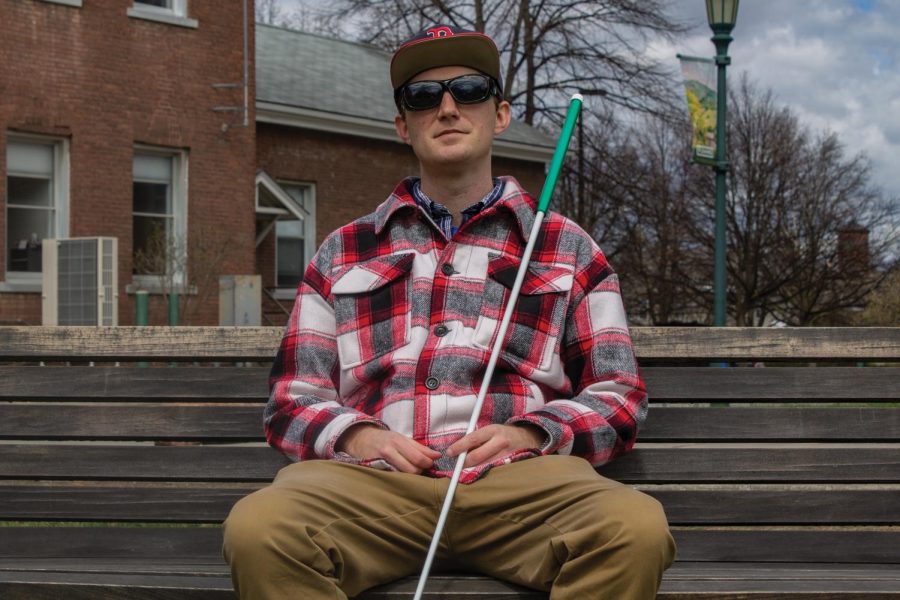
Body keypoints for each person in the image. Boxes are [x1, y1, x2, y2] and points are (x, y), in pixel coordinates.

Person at [223, 25, 675, 600]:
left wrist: (531, 433)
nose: (447, 107)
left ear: (501, 113)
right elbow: (292, 397)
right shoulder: (344, 250)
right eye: (421, 97)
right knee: (261, 530)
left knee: (633, 530)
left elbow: (617, 393)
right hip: (376, 488)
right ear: (402, 126)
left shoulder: (565, 246)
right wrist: (358, 436)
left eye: (469, 90)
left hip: (523, 487)